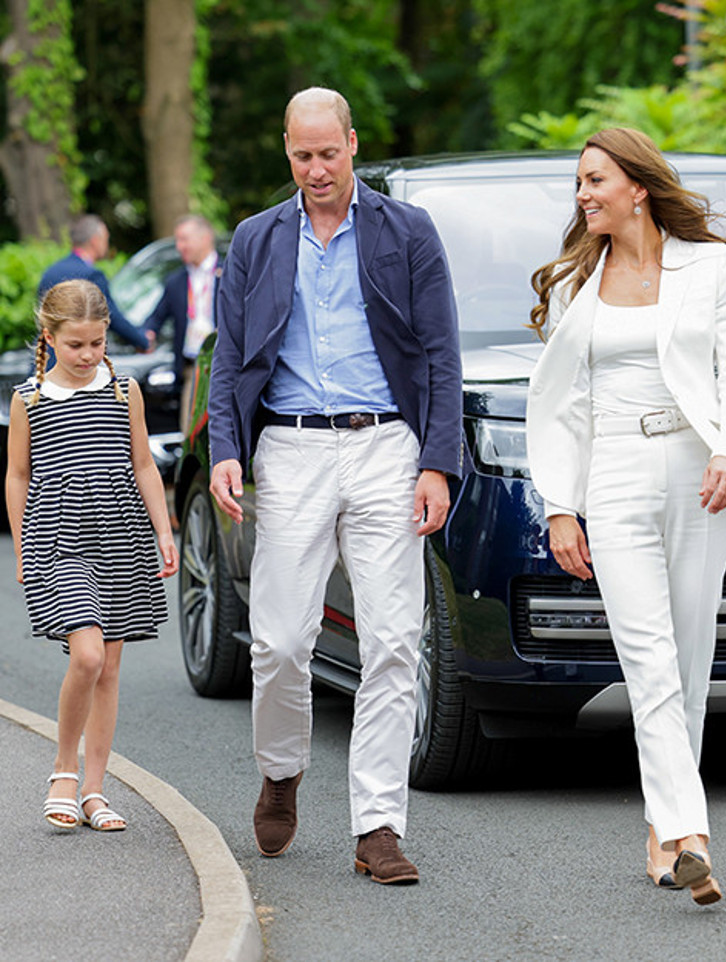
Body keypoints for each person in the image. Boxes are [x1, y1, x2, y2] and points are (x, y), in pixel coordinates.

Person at [208, 87, 464, 884]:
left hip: (386, 445)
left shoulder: (407, 230)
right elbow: (230, 353)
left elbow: (442, 351)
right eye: (302, 156)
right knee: (281, 640)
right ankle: (282, 770)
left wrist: (437, 462)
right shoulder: (256, 238)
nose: (316, 169)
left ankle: (377, 826)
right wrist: (226, 447)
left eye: (328, 153)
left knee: (392, 639)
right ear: (286, 151)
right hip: (290, 449)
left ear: (352, 144)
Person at [526, 127, 726, 905]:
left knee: (689, 664)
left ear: (639, 187)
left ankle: (665, 832)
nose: (583, 194)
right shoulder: (575, 281)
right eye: (579, 183)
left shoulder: (707, 265)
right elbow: (562, 406)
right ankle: (694, 836)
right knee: (649, 661)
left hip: (697, 474)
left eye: (595, 180)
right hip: (616, 475)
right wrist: (562, 507)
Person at [5, 279, 179, 832]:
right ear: (49, 337)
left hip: (121, 538)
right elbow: (17, 476)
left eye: (97, 343)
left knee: (109, 667)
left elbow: (144, 464)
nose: (87, 355)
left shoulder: (125, 390)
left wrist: (164, 531)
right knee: (86, 656)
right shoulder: (29, 399)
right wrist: (22, 546)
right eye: (75, 344)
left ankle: (95, 790)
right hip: (57, 540)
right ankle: (63, 770)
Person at [143, 214, 221, 433]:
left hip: (224, 365)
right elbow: (156, 318)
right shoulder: (176, 281)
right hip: (193, 368)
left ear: (205, 238)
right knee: (191, 432)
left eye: (184, 239)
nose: (180, 247)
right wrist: (145, 335)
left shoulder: (231, 271)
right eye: (178, 240)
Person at [39, 215, 150, 352]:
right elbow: (111, 316)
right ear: (95, 241)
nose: (107, 245)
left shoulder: (51, 271)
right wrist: (143, 341)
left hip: (47, 353)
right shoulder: (92, 276)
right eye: (106, 239)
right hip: (79, 356)